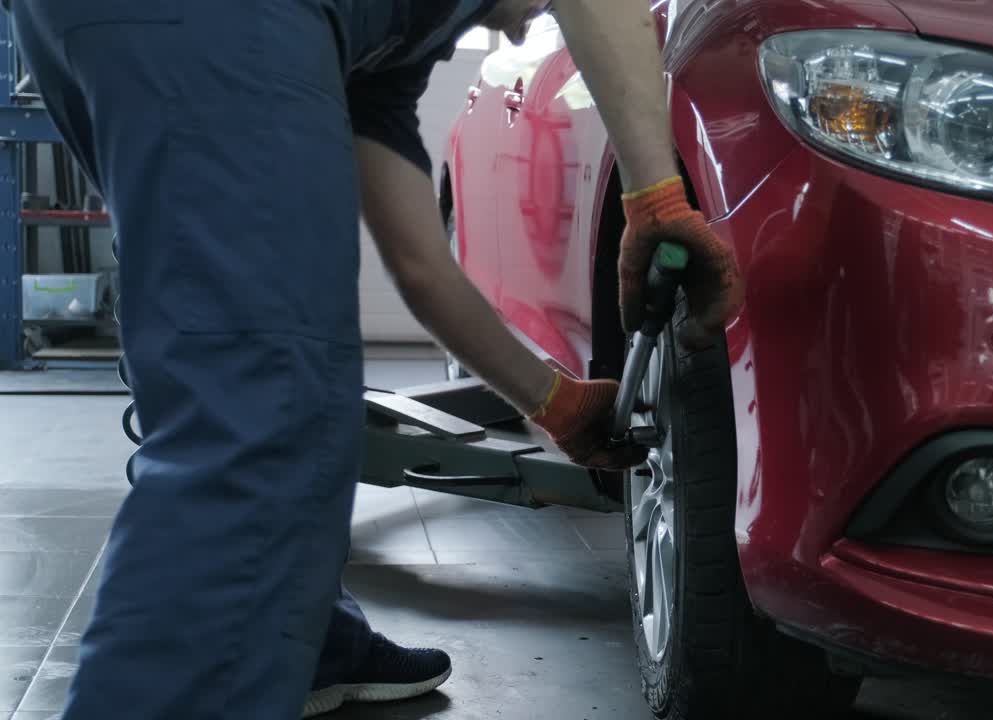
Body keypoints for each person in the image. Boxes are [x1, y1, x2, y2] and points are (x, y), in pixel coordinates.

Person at [5, 0, 743, 717]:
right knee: (263, 412)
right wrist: (658, 201)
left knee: (213, 348)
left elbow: (422, 268)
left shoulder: (387, 53)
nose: (533, 23)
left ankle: (311, 641)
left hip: (80, 23)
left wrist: (555, 404)